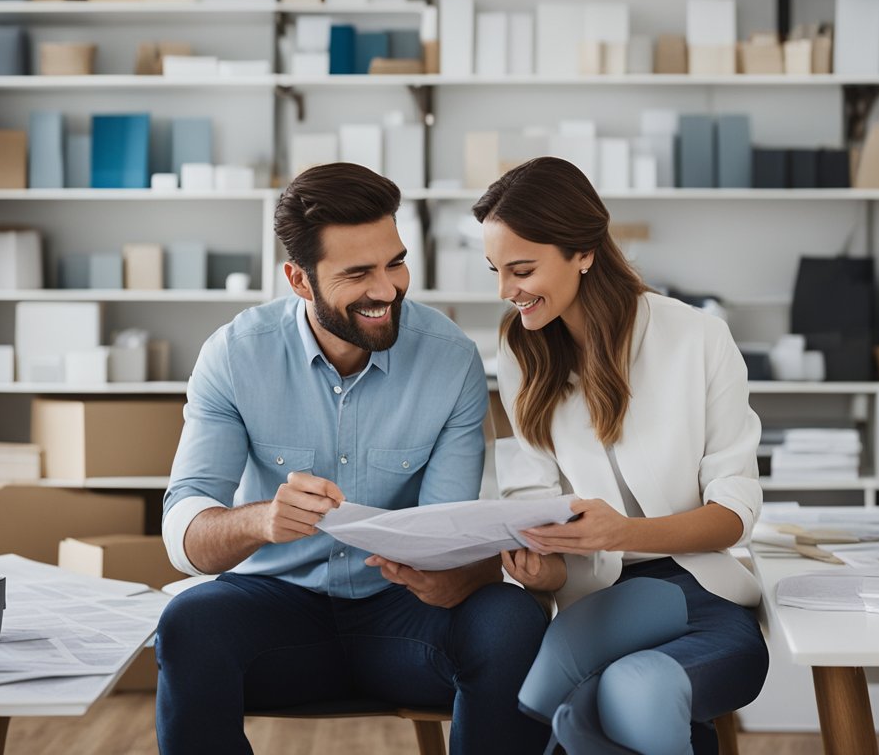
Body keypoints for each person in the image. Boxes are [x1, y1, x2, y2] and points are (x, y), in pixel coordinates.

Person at [156, 162, 551, 755]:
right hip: (276, 611)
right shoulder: (235, 356)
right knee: (190, 621)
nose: (387, 289)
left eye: (395, 262)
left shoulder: (450, 359)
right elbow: (183, 532)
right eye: (358, 273)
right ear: (298, 279)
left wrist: (452, 573)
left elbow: (449, 531)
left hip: (404, 615)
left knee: (511, 619)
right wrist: (261, 521)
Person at [475, 157, 769, 755]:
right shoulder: (522, 354)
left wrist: (626, 530)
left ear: (582, 251)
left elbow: (735, 510)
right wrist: (540, 563)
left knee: (633, 691)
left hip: (701, 594)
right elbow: (536, 502)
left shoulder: (696, 339)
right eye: (496, 271)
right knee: (540, 704)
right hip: (597, 602)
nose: (506, 291)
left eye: (522, 269)